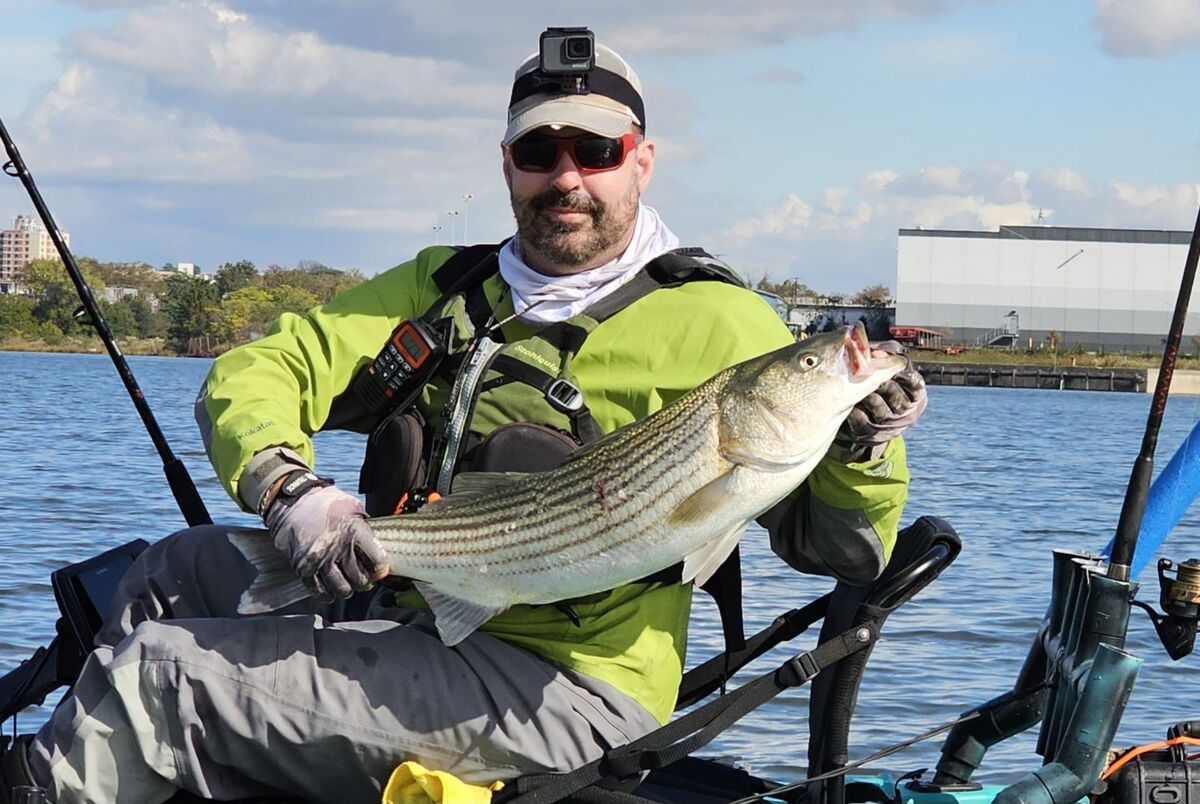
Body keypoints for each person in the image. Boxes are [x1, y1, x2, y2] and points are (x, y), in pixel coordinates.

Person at [0, 29, 926, 804]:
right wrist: (293, 492)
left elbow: (841, 551)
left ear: (641, 161)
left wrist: (865, 444)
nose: (568, 178)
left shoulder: (726, 322)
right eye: (539, 151)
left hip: (568, 686)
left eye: (596, 153)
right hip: (412, 606)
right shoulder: (446, 287)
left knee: (157, 675)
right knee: (171, 574)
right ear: (507, 164)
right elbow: (263, 366)